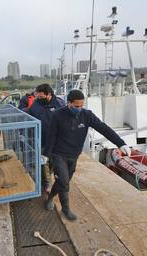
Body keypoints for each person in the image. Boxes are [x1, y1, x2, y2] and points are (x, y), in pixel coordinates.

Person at [43, 89, 131, 220]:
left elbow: (104, 128)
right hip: (58, 154)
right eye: (76, 106)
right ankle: (66, 210)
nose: (79, 108)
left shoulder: (86, 115)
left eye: (81, 106)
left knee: (63, 182)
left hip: (74, 155)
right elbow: (51, 136)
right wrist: (46, 154)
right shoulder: (57, 115)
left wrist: (121, 143)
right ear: (69, 103)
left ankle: (50, 198)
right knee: (64, 181)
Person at [26, 84, 64, 193]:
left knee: (53, 162)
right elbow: (29, 114)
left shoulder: (59, 104)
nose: (39, 98)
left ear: (49, 95)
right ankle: (46, 183)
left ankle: (51, 175)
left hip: (56, 141)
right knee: (43, 163)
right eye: (38, 96)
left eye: (42, 97)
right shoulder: (36, 103)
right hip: (41, 140)